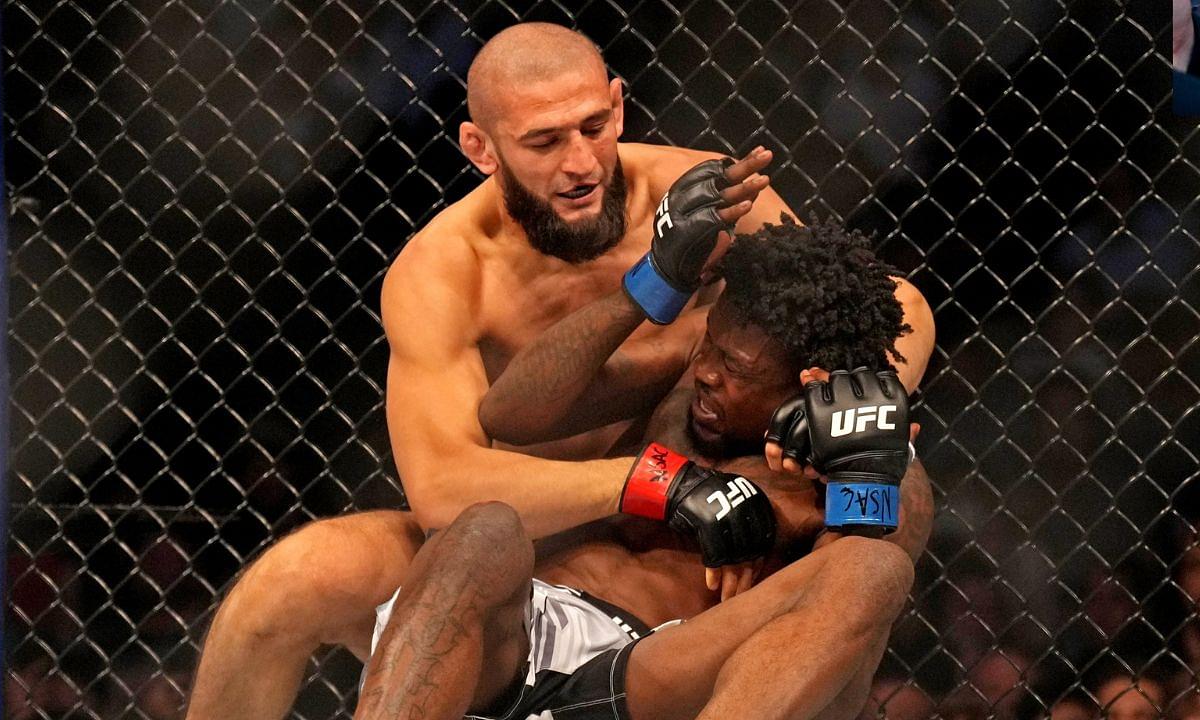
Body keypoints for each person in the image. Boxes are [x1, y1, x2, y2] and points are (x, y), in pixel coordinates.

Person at [185, 22, 934, 720]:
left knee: (890, 483)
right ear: (482, 148)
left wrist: (850, 400)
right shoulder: (446, 270)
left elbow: (875, 305)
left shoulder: (709, 201)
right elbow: (447, 486)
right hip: (532, 546)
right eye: (542, 142)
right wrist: (663, 476)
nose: (579, 164)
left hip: (704, 566)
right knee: (292, 581)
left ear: (618, 104)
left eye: (593, 127)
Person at [354, 221, 936, 720]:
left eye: (734, 365)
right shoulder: (693, 371)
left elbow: (855, 614)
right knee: (484, 530)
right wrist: (647, 283)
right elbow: (510, 413)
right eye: (710, 345)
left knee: (873, 564)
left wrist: (865, 482)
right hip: (525, 632)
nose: (705, 370)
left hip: (652, 676)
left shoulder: (868, 461)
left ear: (807, 382)